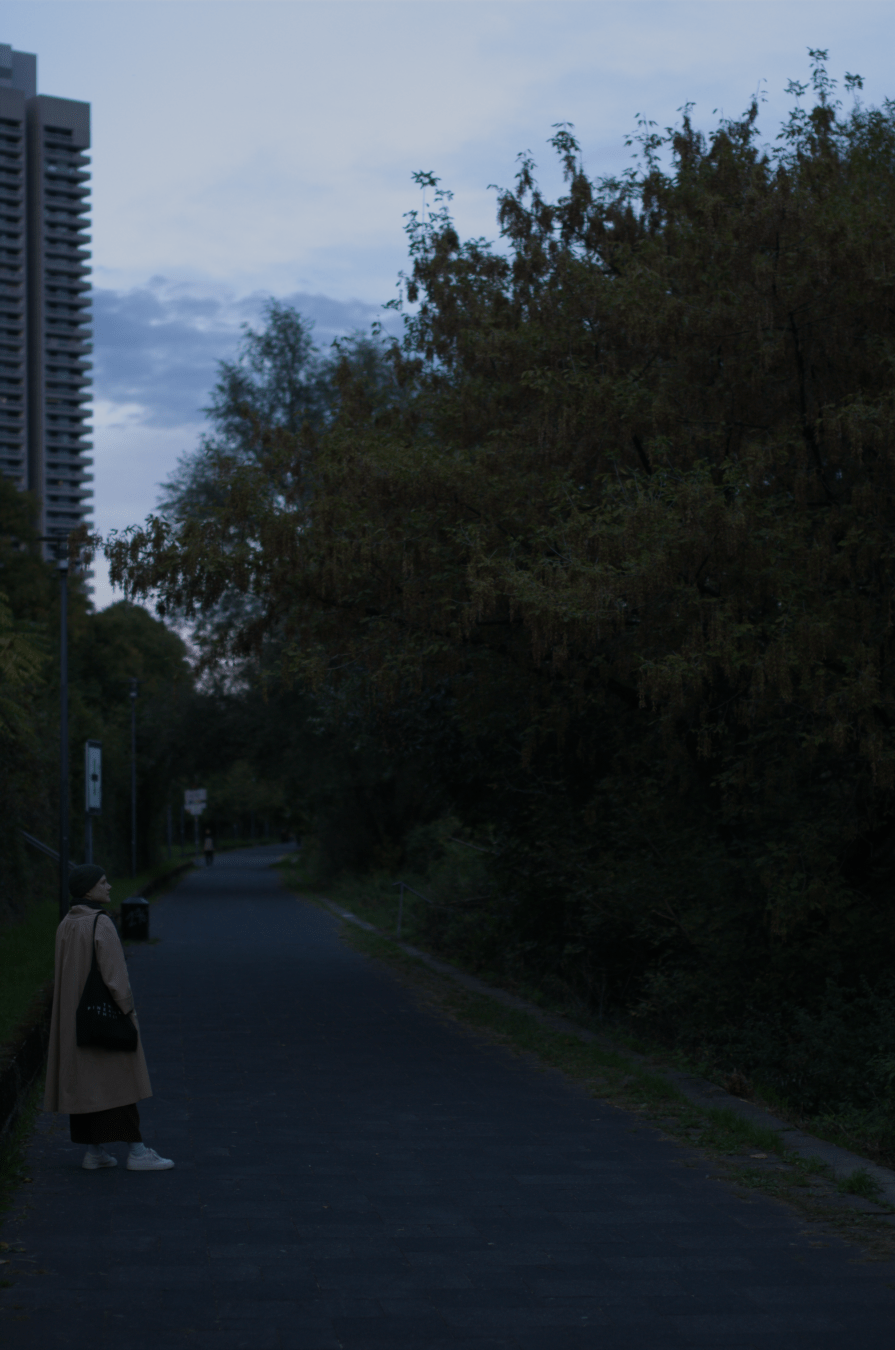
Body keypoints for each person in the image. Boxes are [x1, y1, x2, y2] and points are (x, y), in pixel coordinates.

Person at [44, 863, 174, 1172]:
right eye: (103, 882)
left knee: (87, 1086)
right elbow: (116, 976)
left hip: (75, 1020)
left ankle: (94, 1152)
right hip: (105, 1017)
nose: (109, 887)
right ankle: (138, 1152)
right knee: (121, 1080)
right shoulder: (100, 923)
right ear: (89, 889)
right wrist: (127, 1010)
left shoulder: (66, 923)